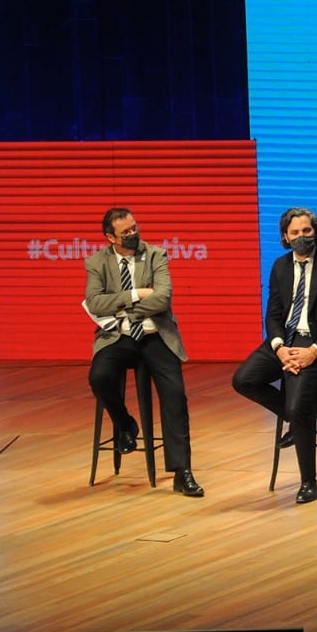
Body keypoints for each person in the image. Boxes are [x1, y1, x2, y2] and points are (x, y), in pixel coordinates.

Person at [232, 207, 317, 504]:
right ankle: (294, 418)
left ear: (316, 232)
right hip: (286, 341)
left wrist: (313, 351)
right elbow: (273, 312)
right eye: (295, 233)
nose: (302, 237)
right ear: (285, 237)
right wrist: (279, 347)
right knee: (244, 379)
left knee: (301, 403)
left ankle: (308, 482)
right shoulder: (280, 266)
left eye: (307, 231)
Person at [85, 207, 203, 497]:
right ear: (110, 237)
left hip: (155, 335)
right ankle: (124, 423)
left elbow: (162, 298)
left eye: (134, 228)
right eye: (125, 232)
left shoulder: (155, 255)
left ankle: (181, 471)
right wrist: (137, 294)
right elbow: (94, 303)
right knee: (99, 376)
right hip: (118, 336)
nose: (133, 234)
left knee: (174, 394)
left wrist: (124, 309)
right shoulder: (97, 262)